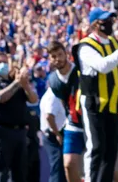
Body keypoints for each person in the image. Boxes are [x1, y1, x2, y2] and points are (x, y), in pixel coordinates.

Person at [74, 9, 118, 182]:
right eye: (104, 20)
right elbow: (103, 65)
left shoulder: (113, 42)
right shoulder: (85, 46)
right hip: (93, 104)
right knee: (96, 147)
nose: (109, 23)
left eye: (110, 20)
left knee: (111, 150)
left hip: (112, 104)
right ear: (94, 24)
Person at [0, 47, 39, 182]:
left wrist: (25, 85)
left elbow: (33, 99)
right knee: (0, 174)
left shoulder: (16, 81)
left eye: (5, 62)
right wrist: (17, 83)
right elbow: (0, 97)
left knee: (20, 174)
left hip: (18, 132)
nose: (3, 65)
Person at [46, 41, 84, 182]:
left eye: (60, 54)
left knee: (105, 167)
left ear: (66, 54)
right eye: (53, 56)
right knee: (68, 164)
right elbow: (63, 102)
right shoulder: (53, 80)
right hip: (73, 123)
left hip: (91, 121)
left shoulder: (80, 70)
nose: (58, 59)